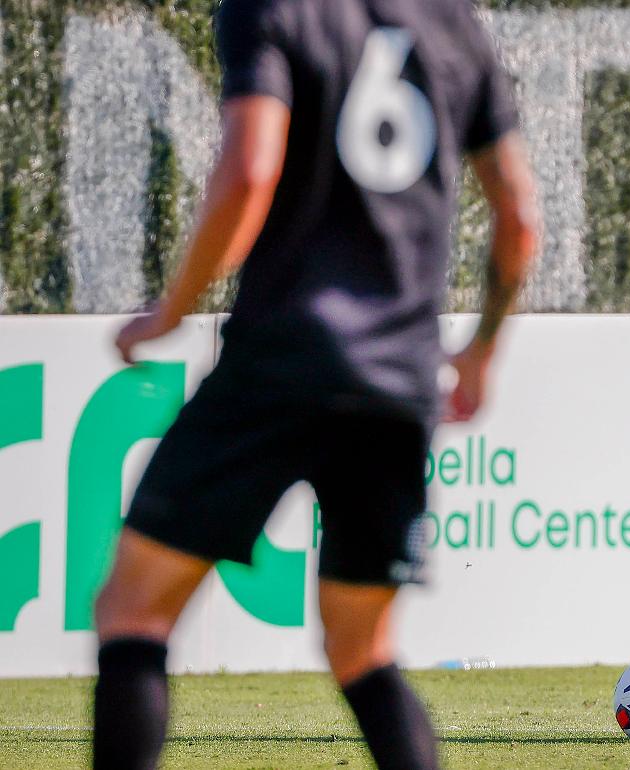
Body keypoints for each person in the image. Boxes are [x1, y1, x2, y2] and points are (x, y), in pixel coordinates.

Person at [92, 0, 539, 767]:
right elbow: (521, 215)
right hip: (398, 382)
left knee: (133, 610)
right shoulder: (454, 24)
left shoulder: (274, 7)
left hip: (280, 360)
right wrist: (481, 352)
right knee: (362, 649)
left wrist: (172, 307)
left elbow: (251, 169)